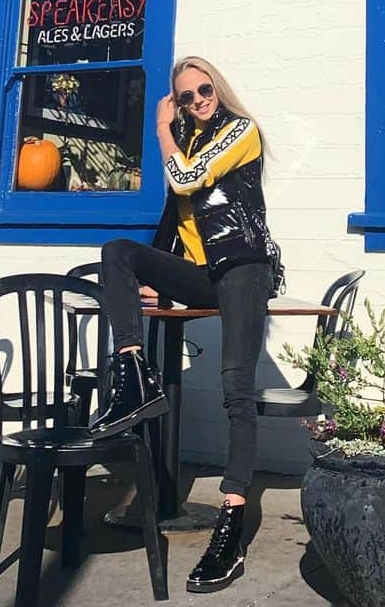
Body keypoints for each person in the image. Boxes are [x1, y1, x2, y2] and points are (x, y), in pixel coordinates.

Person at [97, 55, 284, 594]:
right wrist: (154, 274)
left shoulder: (240, 131)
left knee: (235, 391)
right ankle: (133, 373)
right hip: (204, 274)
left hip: (243, 267)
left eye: (204, 91)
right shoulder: (192, 143)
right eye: (186, 97)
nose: (198, 100)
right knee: (118, 252)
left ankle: (230, 520)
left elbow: (186, 182)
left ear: (217, 90)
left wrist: (159, 126)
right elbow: (175, 217)